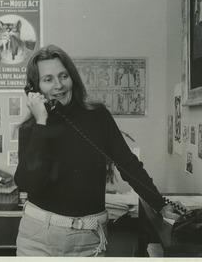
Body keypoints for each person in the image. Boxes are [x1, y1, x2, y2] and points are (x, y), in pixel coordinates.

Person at [14, 45, 182, 257]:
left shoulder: (97, 116)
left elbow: (128, 164)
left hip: (89, 239)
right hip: (39, 238)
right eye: (48, 79)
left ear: (72, 77)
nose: (59, 85)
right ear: (34, 89)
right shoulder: (32, 129)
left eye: (63, 76)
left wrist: (160, 204)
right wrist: (41, 122)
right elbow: (30, 185)